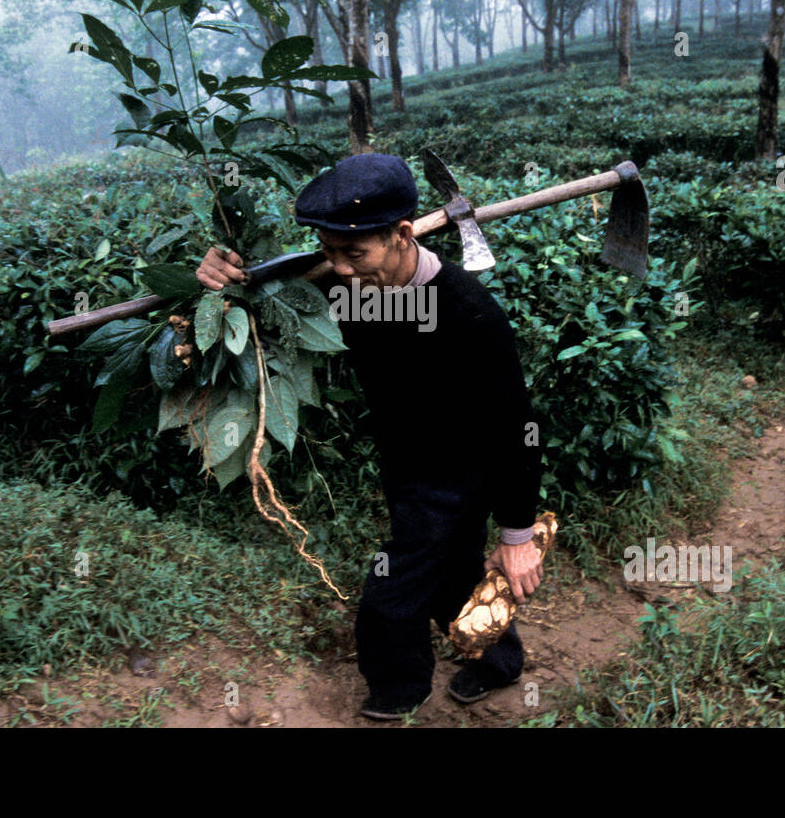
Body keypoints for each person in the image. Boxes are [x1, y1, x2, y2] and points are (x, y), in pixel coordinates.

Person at [195, 153, 544, 720]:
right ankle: (499, 661)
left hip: (463, 472)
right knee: (452, 573)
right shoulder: (345, 285)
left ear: (404, 234)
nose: (342, 269)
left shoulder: (468, 313)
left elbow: (517, 429)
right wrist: (221, 273)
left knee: (392, 593)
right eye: (329, 253)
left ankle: (398, 687)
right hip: (405, 464)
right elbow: (259, 289)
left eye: (354, 253)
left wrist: (518, 533)